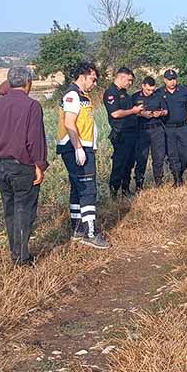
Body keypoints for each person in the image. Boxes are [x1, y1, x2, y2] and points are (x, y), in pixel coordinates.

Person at [0, 67, 48, 266]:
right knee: (24, 210)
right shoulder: (32, 106)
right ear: (28, 83)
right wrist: (39, 165)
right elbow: (35, 140)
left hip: (2, 166)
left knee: (9, 209)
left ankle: (15, 253)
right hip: (23, 167)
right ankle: (22, 258)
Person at [57, 62, 110, 249]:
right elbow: (70, 123)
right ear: (83, 75)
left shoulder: (82, 95)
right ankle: (90, 233)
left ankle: (77, 229)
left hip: (82, 146)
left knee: (78, 188)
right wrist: (78, 147)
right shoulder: (72, 95)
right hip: (76, 148)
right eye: (93, 79)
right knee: (88, 189)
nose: (94, 83)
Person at [103, 67, 143, 198]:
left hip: (132, 133)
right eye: (129, 80)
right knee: (119, 163)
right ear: (121, 77)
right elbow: (115, 113)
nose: (130, 83)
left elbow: (131, 112)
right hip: (121, 134)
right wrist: (134, 111)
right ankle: (114, 192)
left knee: (129, 163)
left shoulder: (125, 94)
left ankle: (125, 190)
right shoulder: (111, 93)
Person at [159, 69, 187, 186]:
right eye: (170, 79)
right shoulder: (159, 92)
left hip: (182, 127)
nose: (172, 82)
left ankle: (180, 171)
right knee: (172, 154)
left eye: (174, 79)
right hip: (168, 128)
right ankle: (177, 179)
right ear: (165, 80)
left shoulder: (183, 90)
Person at [132, 76, 168, 188]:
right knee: (141, 159)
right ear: (143, 86)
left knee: (158, 158)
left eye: (152, 90)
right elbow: (130, 112)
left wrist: (160, 113)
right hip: (142, 131)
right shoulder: (135, 97)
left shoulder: (158, 96)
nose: (150, 92)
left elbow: (166, 110)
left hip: (157, 130)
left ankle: (159, 183)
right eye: (148, 90)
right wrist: (141, 114)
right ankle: (139, 185)